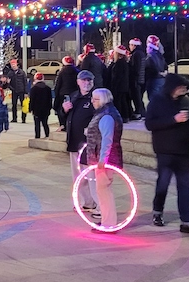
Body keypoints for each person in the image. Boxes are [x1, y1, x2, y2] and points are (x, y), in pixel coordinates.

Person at [144, 74, 189, 236]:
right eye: (182, 88)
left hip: (185, 150)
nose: (185, 91)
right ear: (173, 88)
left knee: (184, 187)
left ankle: (187, 221)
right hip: (165, 151)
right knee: (163, 183)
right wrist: (173, 119)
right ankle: (158, 211)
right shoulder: (157, 101)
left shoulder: (186, 101)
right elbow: (150, 124)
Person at [84, 88, 123, 229]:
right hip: (102, 158)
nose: (92, 102)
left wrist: (103, 159)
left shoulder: (106, 115)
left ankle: (108, 222)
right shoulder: (106, 113)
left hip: (105, 161)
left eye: (96, 99)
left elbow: (107, 139)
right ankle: (108, 221)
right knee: (103, 190)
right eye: (93, 99)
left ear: (103, 100)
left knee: (104, 190)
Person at [59, 71, 97, 213]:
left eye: (89, 81)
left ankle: (95, 202)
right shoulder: (74, 96)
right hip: (74, 142)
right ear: (78, 81)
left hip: (88, 144)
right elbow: (63, 116)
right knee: (77, 175)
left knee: (90, 176)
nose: (87, 83)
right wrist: (63, 110)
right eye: (84, 80)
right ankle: (86, 201)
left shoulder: (95, 98)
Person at [109, 46, 133, 122]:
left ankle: (120, 117)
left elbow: (117, 77)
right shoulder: (125, 63)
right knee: (123, 101)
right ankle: (125, 116)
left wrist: (113, 86)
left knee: (118, 102)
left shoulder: (119, 64)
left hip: (119, 87)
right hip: (124, 86)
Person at [28, 72, 53, 139]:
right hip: (45, 109)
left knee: (37, 124)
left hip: (36, 109)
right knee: (45, 123)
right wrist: (49, 108)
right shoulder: (48, 88)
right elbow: (50, 100)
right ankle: (47, 135)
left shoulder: (33, 89)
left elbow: (32, 100)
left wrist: (30, 108)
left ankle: (37, 136)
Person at [5, 58, 28, 123]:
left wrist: (26, 92)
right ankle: (14, 118)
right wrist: (10, 86)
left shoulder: (22, 72)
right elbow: (8, 83)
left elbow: (25, 82)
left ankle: (23, 119)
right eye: (12, 65)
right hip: (14, 91)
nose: (13, 66)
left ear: (17, 65)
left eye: (14, 64)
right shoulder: (10, 73)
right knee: (14, 105)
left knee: (23, 105)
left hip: (21, 91)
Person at [128, 38, 147, 120]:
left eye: (130, 45)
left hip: (136, 79)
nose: (129, 47)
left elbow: (136, 68)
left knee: (137, 97)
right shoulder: (142, 53)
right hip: (141, 79)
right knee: (139, 97)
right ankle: (142, 112)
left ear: (134, 45)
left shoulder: (136, 54)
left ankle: (139, 113)